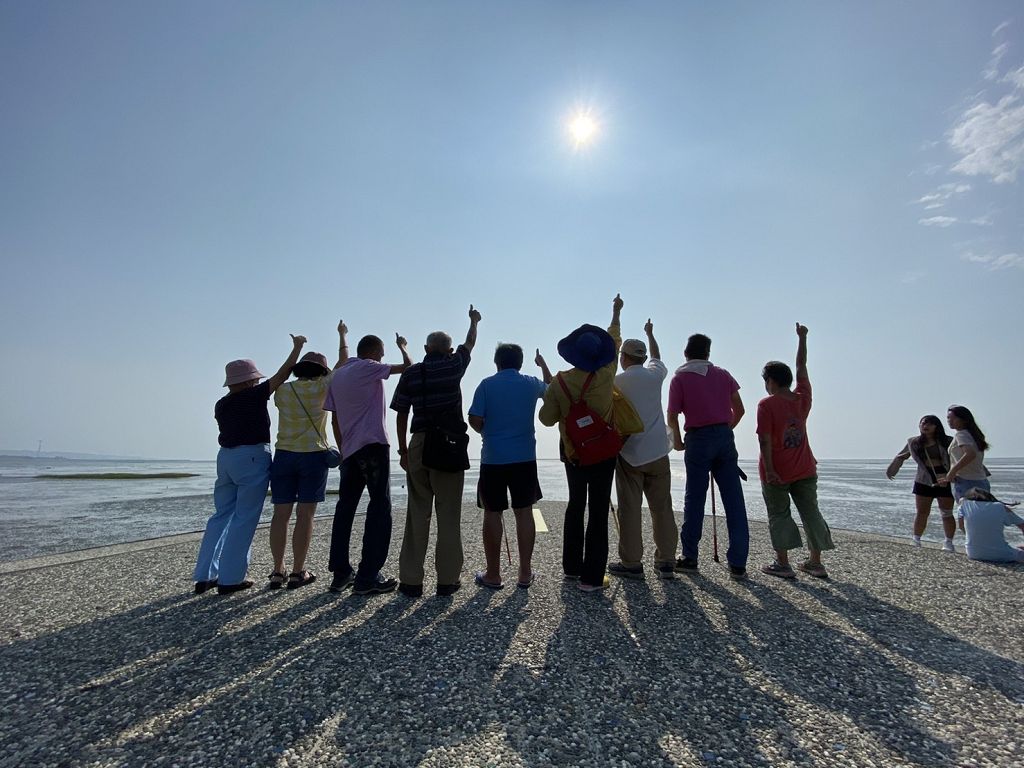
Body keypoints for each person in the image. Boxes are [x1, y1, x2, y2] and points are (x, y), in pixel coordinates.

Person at [194, 334, 306, 595]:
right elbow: (283, 375)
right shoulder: (253, 396)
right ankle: (230, 579)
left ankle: (205, 575)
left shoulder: (221, 404)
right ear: (248, 380)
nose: (258, 380)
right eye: (254, 378)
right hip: (251, 457)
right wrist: (298, 347)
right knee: (244, 518)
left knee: (220, 516)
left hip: (225, 458)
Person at [391, 305, 481, 598]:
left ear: (426, 348)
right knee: (449, 513)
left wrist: (404, 450)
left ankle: (411, 580)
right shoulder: (454, 365)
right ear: (448, 349)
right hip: (448, 446)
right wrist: (473, 321)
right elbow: (470, 344)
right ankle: (446, 580)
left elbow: (401, 412)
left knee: (417, 512)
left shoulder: (412, 373)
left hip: (418, 442)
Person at [539, 294, 623, 593]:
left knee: (575, 504)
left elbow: (546, 419)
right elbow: (615, 340)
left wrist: (559, 402)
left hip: (573, 451)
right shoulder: (606, 373)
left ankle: (571, 568)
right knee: (599, 508)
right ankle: (591, 578)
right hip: (602, 450)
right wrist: (615, 313)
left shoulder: (560, 382)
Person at [324, 328, 411, 595]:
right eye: (381, 353)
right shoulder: (368, 367)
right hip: (373, 445)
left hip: (350, 450)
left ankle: (341, 573)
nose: (382, 357)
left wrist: (343, 448)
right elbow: (407, 368)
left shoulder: (337, 376)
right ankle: (368, 576)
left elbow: (335, 418)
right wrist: (403, 346)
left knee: (345, 509)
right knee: (379, 507)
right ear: (374, 352)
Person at [266, 321, 349, 590]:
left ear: (298, 370)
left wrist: (296, 348)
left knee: (281, 514)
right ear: (322, 371)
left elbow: (282, 373)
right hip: (313, 454)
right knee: (306, 514)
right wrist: (342, 335)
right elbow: (344, 361)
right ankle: (298, 571)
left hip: (284, 455)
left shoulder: (283, 390)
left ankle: (277, 570)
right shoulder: (322, 387)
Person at [667, 331, 749, 579]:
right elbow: (741, 409)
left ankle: (690, 556)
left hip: (698, 438)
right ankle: (738, 562)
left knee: (695, 497)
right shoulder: (723, 375)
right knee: (734, 499)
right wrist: (725, 429)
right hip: (724, 437)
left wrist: (678, 442)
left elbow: (672, 415)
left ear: (686, 353)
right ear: (708, 353)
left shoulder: (679, 378)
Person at [468, 344, 551, 589]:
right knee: (524, 512)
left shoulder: (486, 384)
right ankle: (525, 572)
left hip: (493, 457)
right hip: (524, 456)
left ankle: (493, 574)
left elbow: (474, 419)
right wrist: (543, 364)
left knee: (492, 512)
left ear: (497, 362)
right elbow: (551, 390)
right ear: (520, 362)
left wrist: (486, 430)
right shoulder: (530, 383)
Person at [755, 323, 835, 579]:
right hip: (805, 467)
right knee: (810, 511)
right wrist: (802, 338)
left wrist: (769, 470)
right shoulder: (802, 398)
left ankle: (783, 563)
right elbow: (802, 367)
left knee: (779, 513)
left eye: (765, 380)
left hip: (777, 470)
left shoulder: (767, 404)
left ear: (770, 381)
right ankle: (816, 561)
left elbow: (765, 440)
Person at [609, 317, 678, 581]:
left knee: (630, 508)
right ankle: (666, 562)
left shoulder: (617, 382)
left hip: (630, 453)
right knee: (662, 508)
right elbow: (658, 358)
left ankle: (632, 563)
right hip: (659, 450)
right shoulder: (655, 376)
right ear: (643, 357)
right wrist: (650, 334)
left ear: (623, 357)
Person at [886, 415, 957, 551]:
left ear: (937, 426)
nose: (926, 426)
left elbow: (959, 458)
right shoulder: (914, 442)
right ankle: (916, 539)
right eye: (923, 423)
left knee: (946, 512)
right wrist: (892, 470)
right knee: (922, 512)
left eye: (930, 424)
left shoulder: (947, 441)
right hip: (923, 480)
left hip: (945, 480)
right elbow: (902, 455)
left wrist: (959, 475)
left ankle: (948, 542)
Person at [937, 406, 991, 501]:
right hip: (980, 479)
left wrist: (951, 473)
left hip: (966, 481)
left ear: (964, 420)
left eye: (954, 418)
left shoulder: (961, 434)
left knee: (967, 513)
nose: (950, 421)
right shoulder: (973, 435)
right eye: (948, 418)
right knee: (980, 512)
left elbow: (970, 454)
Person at [958, 488, 1024, 564]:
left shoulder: (964, 504)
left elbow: (961, 526)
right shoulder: (1000, 507)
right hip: (1000, 554)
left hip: (973, 553)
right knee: (1017, 550)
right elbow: (1022, 525)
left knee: (1018, 548)